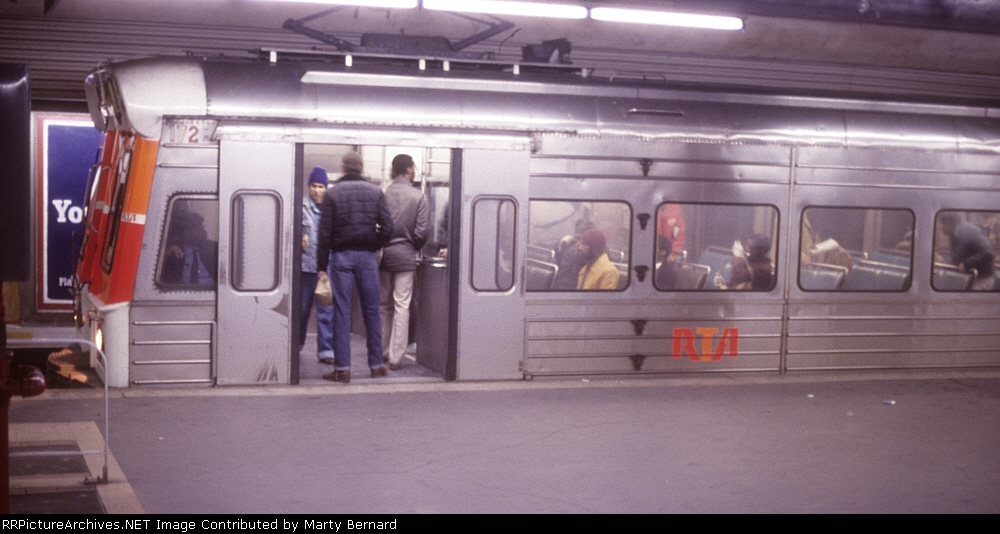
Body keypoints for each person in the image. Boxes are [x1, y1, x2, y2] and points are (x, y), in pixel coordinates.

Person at [316, 152, 393, 383]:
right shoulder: (375, 192)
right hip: (367, 258)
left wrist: (321, 265)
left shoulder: (333, 193)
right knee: (372, 311)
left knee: (341, 311)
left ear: (343, 167)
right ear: (361, 168)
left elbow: (325, 234)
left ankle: (343, 369)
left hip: (341, 258)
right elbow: (388, 227)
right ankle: (376, 365)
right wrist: (374, 243)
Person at [379, 154, 429, 371]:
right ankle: (396, 357)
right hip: (406, 257)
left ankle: (381, 350)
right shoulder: (419, 197)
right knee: (402, 305)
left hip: (383, 256)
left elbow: (377, 226)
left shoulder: (382, 194)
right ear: (409, 170)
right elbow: (422, 232)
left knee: (383, 306)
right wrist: (411, 246)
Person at [300, 166, 335, 363]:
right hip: (305, 266)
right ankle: (297, 345)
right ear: (308, 186)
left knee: (326, 310)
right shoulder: (301, 207)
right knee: (302, 309)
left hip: (327, 267)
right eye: (314, 186)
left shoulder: (332, 208)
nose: (317, 190)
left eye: (321, 186)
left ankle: (326, 351)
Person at [939, 212, 996, 291]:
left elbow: (988, 253)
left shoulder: (969, 233)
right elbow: (960, 255)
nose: (939, 227)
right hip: (967, 277)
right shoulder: (954, 233)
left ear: (948, 225)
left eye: (940, 224)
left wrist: (967, 264)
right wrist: (943, 260)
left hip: (980, 280)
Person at [161, 210, 217, 286]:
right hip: (185, 293)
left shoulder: (213, 248)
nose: (203, 232)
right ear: (186, 233)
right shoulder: (176, 251)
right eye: (198, 229)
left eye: (202, 228)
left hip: (209, 292)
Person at [552, 217, 595, 290]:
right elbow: (561, 267)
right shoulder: (571, 245)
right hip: (564, 285)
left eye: (582, 240)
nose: (580, 245)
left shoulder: (592, 249)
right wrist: (561, 247)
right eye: (577, 238)